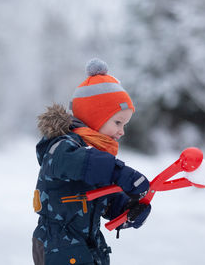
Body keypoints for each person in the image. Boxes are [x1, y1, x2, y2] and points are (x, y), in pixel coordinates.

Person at [32, 58, 151, 265]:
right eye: (117, 122)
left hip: (87, 247)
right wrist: (119, 172)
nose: (122, 131)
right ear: (95, 116)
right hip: (58, 246)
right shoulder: (61, 146)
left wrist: (128, 210)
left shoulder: (96, 159)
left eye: (125, 124)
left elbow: (105, 202)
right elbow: (77, 162)